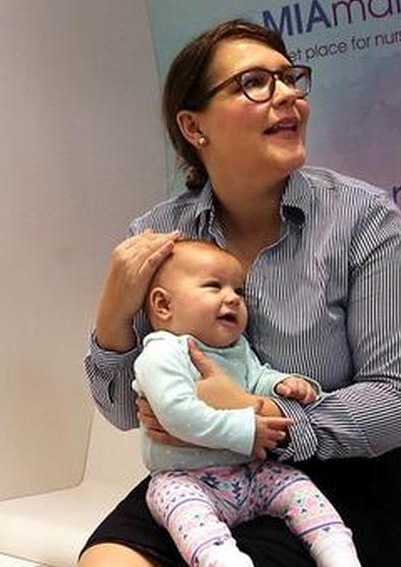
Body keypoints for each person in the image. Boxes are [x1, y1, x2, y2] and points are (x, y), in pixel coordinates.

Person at [79, 19, 401, 567]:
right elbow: (128, 414)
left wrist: (261, 417)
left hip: (341, 484)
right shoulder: (156, 238)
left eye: (289, 78)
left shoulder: (363, 220)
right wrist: (111, 318)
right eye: (255, 82)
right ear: (194, 126)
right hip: (200, 477)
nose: (289, 95)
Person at [135, 239, 361, 567]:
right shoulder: (162, 352)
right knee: (187, 516)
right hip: (185, 478)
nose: (233, 298)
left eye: (239, 291)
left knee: (299, 489)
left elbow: (257, 378)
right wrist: (246, 431)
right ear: (163, 305)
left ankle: (337, 551)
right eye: (214, 286)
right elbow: (176, 414)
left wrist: (284, 384)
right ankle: (223, 560)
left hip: (249, 472)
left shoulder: (236, 349)